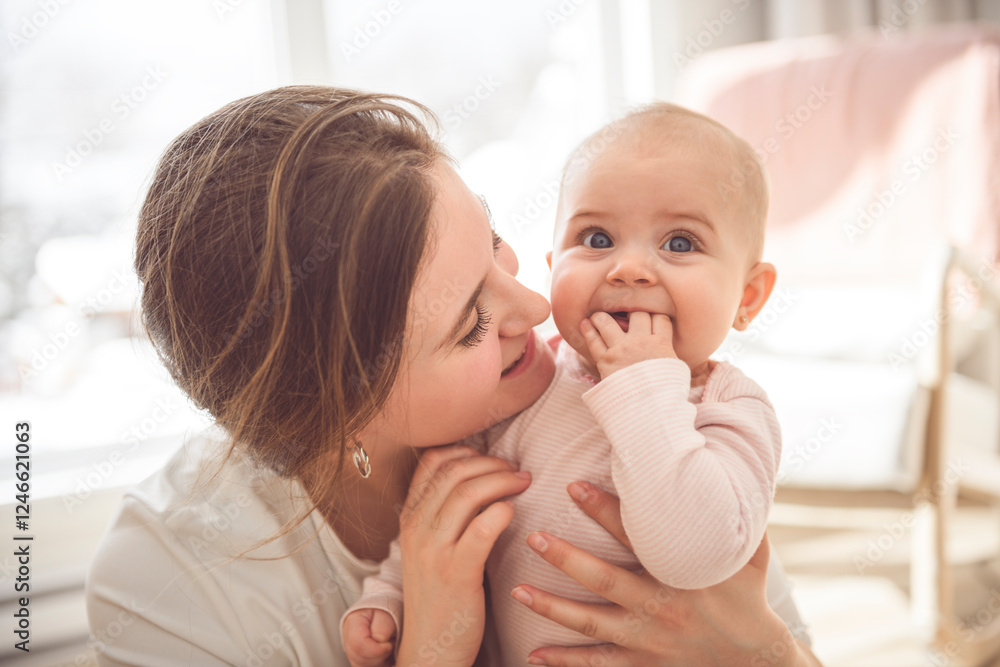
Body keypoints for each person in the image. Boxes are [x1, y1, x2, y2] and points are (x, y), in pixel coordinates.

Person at [85, 86, 821, 666]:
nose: (535, 304)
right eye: (471, 321)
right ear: (341, 409)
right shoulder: (167, 588)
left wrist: (763, 654)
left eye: (495, 241)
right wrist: (430, 645)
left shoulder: (647, 400)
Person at [343, 101, 796, 666]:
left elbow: (697, 556)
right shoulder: (530, 388)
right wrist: (390, 596)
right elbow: (441, 516)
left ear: (747, 298)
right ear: (556, 263)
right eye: (598, 238)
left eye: (680, 243)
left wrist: (644, 386)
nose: (628, 268)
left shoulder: (727, 409)